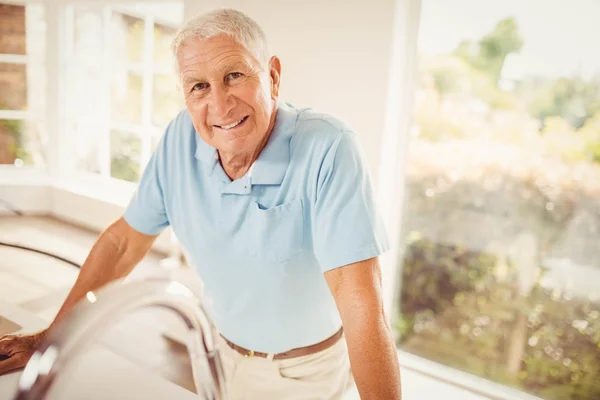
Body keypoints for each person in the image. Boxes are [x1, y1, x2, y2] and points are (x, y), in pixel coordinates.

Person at [0, 8, 402, 400]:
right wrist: (51, 337)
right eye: (199, 86)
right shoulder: (181, 138)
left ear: (273, 77)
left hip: (304, 373)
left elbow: (361, 304)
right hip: (219, 356)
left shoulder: (328, 147)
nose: (221, 105)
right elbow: (124, 242)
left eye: (234, 75)